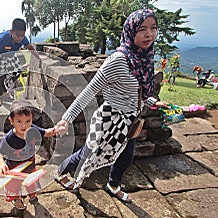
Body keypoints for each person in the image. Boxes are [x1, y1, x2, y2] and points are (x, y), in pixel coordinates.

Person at [54, 9, 169, 204]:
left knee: (125, 157)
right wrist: (66, 119)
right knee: (87, 154)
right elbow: (88, 92)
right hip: (111, 119)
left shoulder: (144, 57)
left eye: (153, 28)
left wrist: (153, 102)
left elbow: (137, 93)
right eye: (142, 29)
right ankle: (60, 172)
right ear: (131, 31)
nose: (149, 34)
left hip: (130, 120)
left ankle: (113, 185)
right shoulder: (117, 61)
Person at [0, 101, 57, 209]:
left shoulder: (32, 130)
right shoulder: (9, 139)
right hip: (14, 169)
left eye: (27, 121)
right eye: (19, 121)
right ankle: (17, 199)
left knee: (31, 183)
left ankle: (31, 193)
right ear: (11, 121)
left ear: (32, 119)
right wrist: (1, 164)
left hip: (30, 165)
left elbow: (46, 133)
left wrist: (56, 130)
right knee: (14, 187)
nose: (24, 125)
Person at [0, 18, 38, 106]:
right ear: (11, 32)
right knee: (0, 76)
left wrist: (38, 57)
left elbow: (30, 47)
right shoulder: (2, 39)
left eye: (22, 35)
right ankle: (0, 97)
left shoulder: (23, 39)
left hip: (11, 56)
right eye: (17, 35)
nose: (20, 38)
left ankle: (6, 88)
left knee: (18, 71)